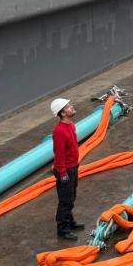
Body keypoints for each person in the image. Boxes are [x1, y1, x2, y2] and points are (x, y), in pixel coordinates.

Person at [50, 97, 84, 241]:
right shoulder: (59, 131)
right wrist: (63, 173)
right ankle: (62, 229)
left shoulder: (71, 125)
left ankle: (70, 222)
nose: (72, 107)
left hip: (73, 167)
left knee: (71, 197)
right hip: (65, 170)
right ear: (62, 113)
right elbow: (59, 154)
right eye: (68, 107)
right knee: (65, 201)